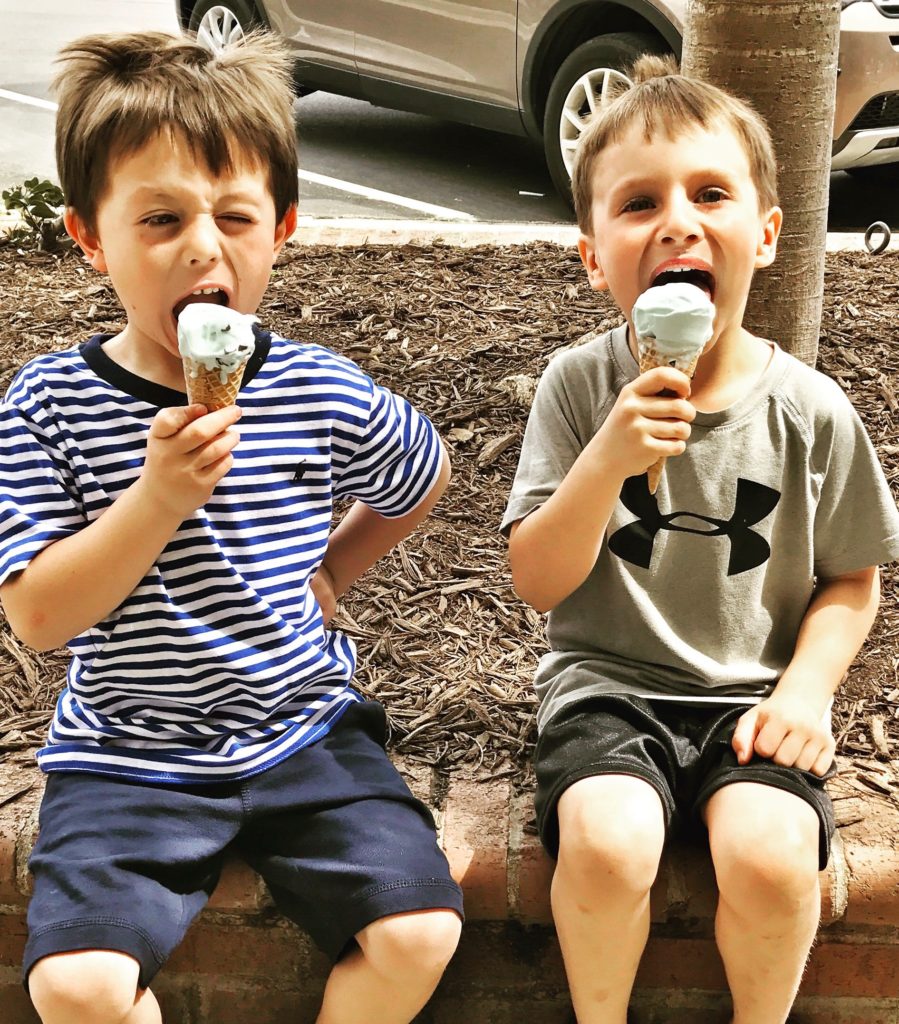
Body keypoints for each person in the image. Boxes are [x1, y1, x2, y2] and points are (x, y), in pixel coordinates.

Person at [0, 31, 463, 1024]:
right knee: (74, 987)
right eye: (160, 218)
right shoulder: (47, 405)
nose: (203, 246)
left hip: (305, 729)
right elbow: (38, 616)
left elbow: (422, 473)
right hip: (127, 748)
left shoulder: (313, 387)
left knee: (419, 932)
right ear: (90, 237)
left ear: (281, 227)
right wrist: (157, 497)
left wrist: (337, 565)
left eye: (234, 216)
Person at [502, 55, 899, 1024]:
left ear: (763, 235)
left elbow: (851, 577)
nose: (677, 219)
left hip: (751, 698)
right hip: (605, 684)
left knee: (767, 856)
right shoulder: (577, 385)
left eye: (710, 192)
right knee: (604, 843)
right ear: (594, 255)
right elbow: (538, 582)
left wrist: (803, 691)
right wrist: (604, 460)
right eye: (637, 203)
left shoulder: (807, 410)